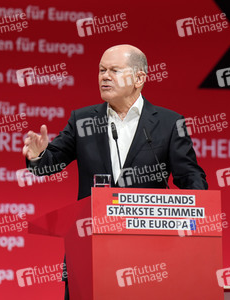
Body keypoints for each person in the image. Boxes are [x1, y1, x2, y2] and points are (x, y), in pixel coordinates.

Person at [22, 44, 207, 299]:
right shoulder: (83, 120)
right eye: (101, 70)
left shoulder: (169, 123)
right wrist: (38, 156)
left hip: (149, 255)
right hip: (91, 251)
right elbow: (50, 164)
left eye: (114, 70)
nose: (104, 77)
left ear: (139, 78)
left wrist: (196, 216)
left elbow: (191, 178)